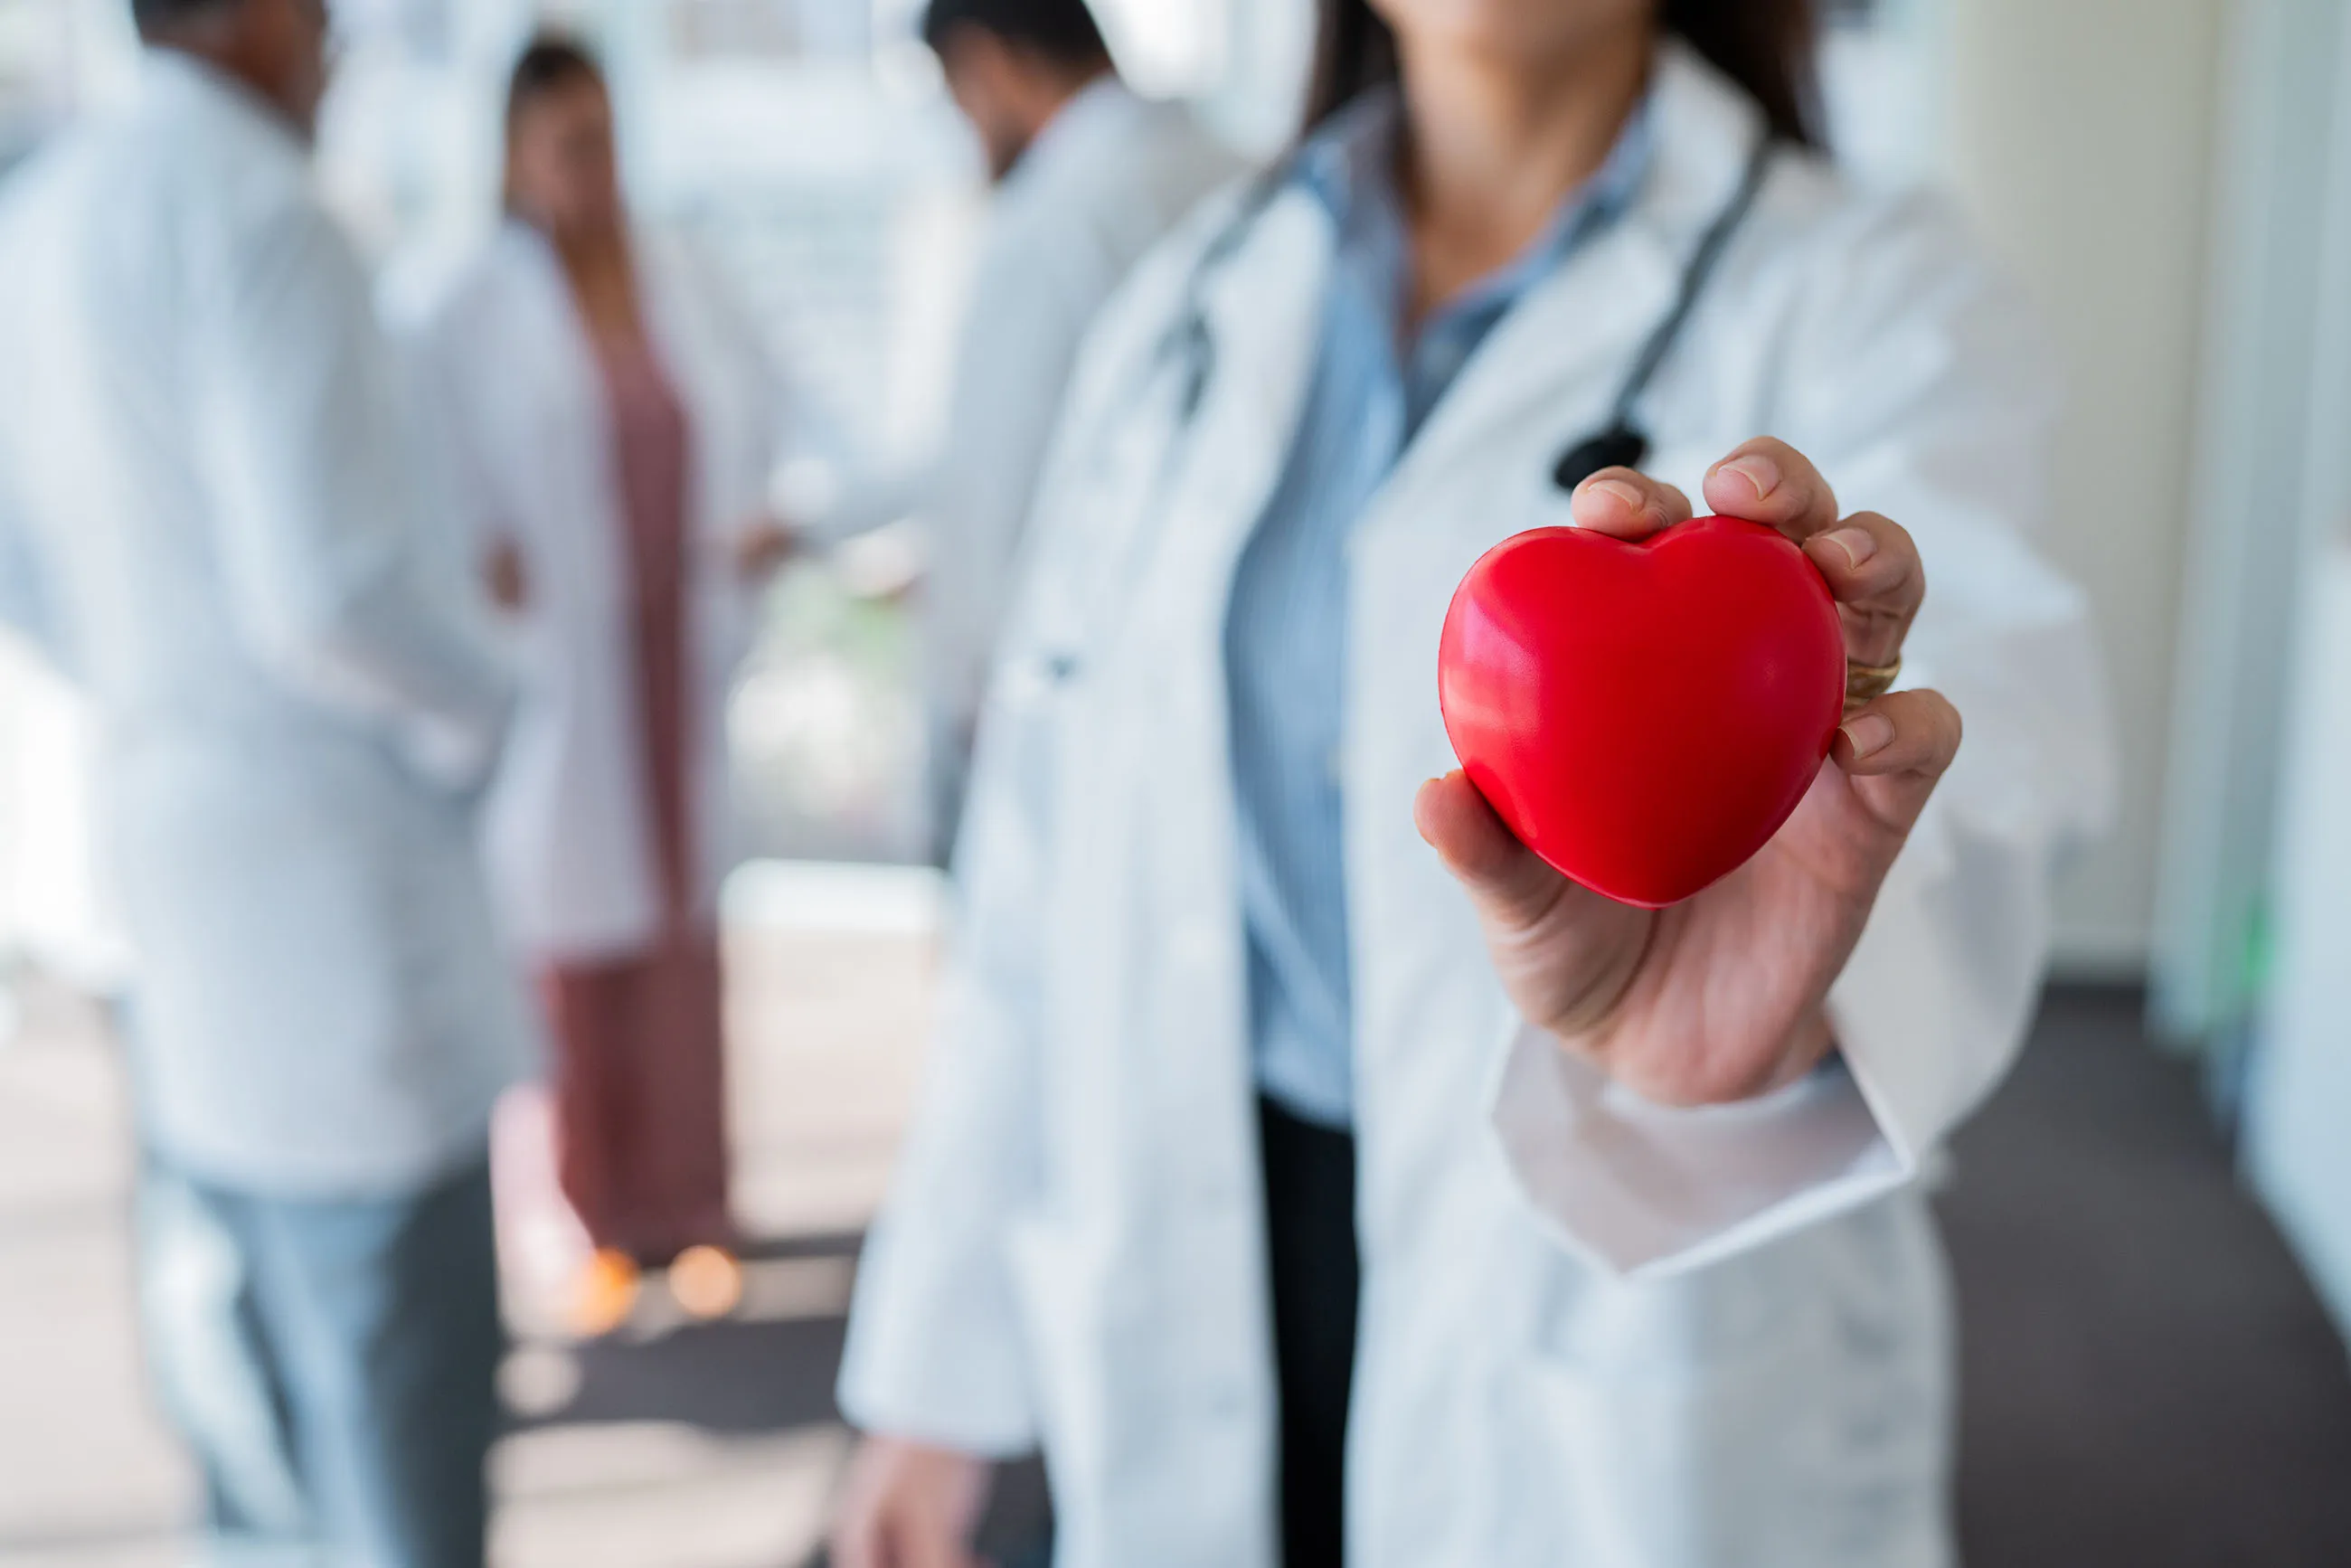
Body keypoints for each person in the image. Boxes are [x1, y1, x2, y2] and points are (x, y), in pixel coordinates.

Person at [828, 1, 2115, 1565]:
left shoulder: (1873, 286)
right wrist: (932, 1372)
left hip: (1621, 1253)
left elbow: (2002, 756)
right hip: (1203, 1218)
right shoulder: (1199, 300)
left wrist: (1779, 1016)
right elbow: (1045, 865)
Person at [0, 2, 528, 1564]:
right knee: (393, 1385)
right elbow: (331, 588)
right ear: (243, 18)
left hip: (168, 847)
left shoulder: (50, 209)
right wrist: (494, 696)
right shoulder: (264, 210)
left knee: (245, 1389)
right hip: (325, 881)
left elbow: (27, 571)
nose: (342, 42)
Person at [401, 36, 802, 1336]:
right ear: (515, 160)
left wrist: (760, 520)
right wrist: (473, 564)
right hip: (563, 674)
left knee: (678, 950)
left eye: (603, 141)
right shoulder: (466, 304)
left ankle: (685, 1208)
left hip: (674, 652)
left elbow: (766, 416)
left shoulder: (679, 272)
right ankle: (577, 1223)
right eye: (564, 148)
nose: (590, 173)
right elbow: (424, 481)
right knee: (570, 960)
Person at [900, 0, 1241, 856]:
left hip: (1050, 713)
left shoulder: (1053, 219)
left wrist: (973, 695)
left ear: (987, 64)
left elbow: (998, 488)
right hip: (1200, 703)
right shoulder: (1242, 176)